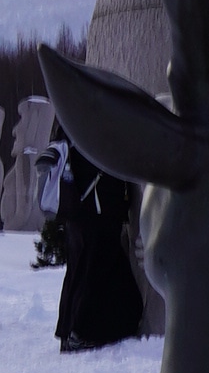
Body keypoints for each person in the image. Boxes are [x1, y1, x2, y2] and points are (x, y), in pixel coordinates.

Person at [52, 138, 145, 352]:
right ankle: (80, 332)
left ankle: (71, 330)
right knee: (95, 267)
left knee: (85, 268)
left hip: (85, 202)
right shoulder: (97, 128)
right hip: (97, 203)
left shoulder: (78, 126)